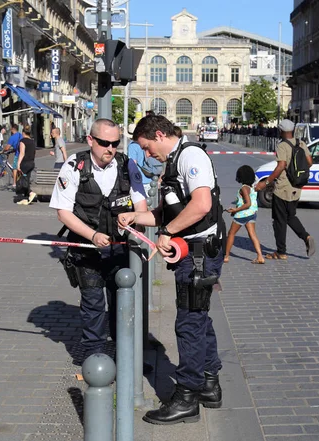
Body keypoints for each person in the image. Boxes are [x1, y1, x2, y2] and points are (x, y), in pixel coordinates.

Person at [117, 115, 225, 425]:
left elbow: (202, 205)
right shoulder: (176, 161)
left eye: (148, 148)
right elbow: (169, 214)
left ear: (160, 134)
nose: (147, 155)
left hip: (199, 253)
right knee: (199, 317)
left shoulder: (190, 156)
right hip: (195, 252)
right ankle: (209, 383)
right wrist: (137, 218)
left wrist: (167, 233)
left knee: (188, 323)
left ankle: (187, 397)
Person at [49, 118, 147, 361]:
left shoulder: (128, 166)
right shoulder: (74, 166)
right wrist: (92, 235)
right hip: (86, 251)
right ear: (90, 140)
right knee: (93, 306)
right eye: (104, 143)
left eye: (115, 143)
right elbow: (63, 212)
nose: (111, 149)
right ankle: (95, 360)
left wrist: (134, 219)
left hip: (120, 249)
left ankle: (127, 362)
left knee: (121, 305)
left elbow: (141, 205)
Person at [255, 119, 315, 260]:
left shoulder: (282, 146)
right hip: (297, 187)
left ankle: (281, 252)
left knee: (279, 220)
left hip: (282, 188)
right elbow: (310, 162)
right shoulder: (301, 143)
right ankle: (306, 236)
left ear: (281, 131)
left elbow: (281, 165)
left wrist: (267, 182)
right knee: (290, 216)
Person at [224, 165, 263, 264]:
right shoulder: (252, 187)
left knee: (231, 233)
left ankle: (226, 256)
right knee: (252, 234)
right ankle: (260, 256)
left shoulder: (244, 188)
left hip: (242, 215)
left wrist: (235, 210)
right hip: (252, 214)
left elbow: (247, 203)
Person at [16, 126, 37, 205]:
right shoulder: (32, 141)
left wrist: (18, 164)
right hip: (31, 162)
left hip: (25, 163)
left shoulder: (23, 141)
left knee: (23, 180)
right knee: (26, 179)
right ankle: (25, 198)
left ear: (23, 133)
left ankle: (31, 193)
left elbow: (22, 153)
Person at [6, 124, 23, 190]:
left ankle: (14, 183)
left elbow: (7, 148)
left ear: (12, 129)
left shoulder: (12, 137)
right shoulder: (20, 135)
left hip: (17, 154)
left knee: (15, 168)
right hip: (22, 153)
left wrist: (2, 151)